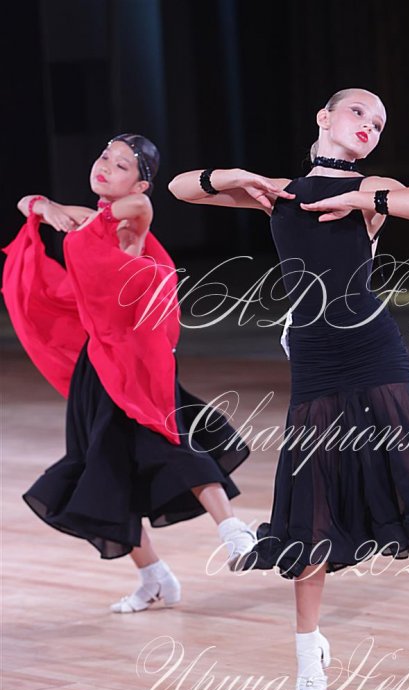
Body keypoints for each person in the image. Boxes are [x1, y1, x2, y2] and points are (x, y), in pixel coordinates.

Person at [168, 89, 409, 690]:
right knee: (312, 501)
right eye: (358, 112)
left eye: (379, 122)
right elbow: (181, 188)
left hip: (373, 349)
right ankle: (307, 649)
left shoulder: (370, 188)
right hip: (315, 359)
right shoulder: (282, 192)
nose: (369, 125)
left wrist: (362, 199)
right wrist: (233, 176)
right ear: (324, 116)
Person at [2, 133, 256, 613]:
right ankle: (154, 577)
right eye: (104, 156)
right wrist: (45, 207)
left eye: (121, 165)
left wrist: (66, 213)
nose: (105, 166)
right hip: (96, 364)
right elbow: (26, 203)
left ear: (140, 182)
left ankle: (233, 529)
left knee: (170, 441)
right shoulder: (91, 217)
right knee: (103, 469)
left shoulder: (133, 214)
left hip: (135, 361)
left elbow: (129, 209)